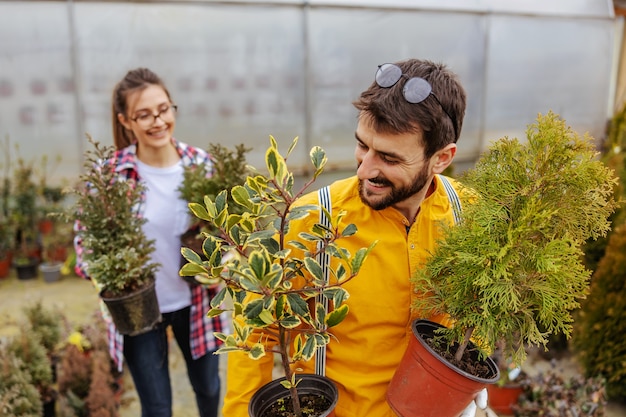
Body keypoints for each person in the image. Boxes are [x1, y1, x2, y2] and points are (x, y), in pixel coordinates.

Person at [221, 58, 488, 416]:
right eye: (363, 145)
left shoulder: (466, 212)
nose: (364, 169)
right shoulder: (313, 219)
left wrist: (467, 381)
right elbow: (254, 332)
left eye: (389, 158)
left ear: (441, 158)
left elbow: (480, 307)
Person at [74, 67, 227, 417]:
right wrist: (109, 279)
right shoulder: (110, 174)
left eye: (163, 109)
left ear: (172, 108)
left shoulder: (201, 165)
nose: (157, 121)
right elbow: (84, 244)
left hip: (198, 304)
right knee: (157, 408)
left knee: (209, 388)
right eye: (144, 114)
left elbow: (228, 231)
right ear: (126, 120)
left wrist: (223, 262)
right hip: (138, 312)